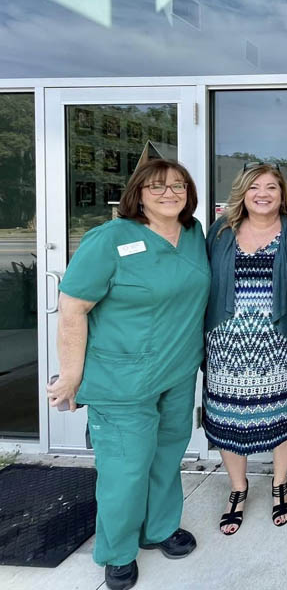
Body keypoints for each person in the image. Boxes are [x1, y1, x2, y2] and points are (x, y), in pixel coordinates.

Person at [48, 159, 209, 590]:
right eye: (157, 187)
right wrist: (70, 375)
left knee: (166, 455)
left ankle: (159, 528)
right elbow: (73, 308)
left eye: (178, 186)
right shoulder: (109, 239)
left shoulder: (194, 234)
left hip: (176, 372)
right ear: (137, 193)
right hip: (121, 379)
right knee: (125, 468)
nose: (169, 193)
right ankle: (117, 551)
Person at [204, 163, 287, 534]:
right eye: (255, 187)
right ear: (243, 192)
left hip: (282, 342)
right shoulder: (220, 232)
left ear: (282, 192)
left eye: (271, 186)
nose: (263, 193)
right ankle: (238, 488)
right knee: (227, 419)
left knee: (286, 414)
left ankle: (279, 482)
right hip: (227, 342)